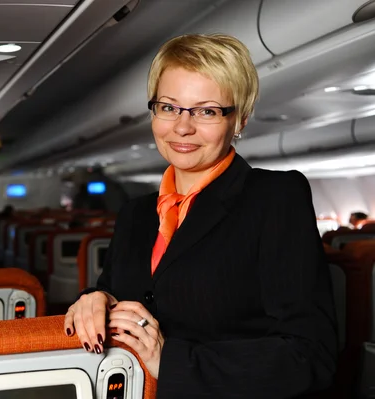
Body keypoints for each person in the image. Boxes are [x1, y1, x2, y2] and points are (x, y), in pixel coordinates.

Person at [63, 34, 337, 398]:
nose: (182, 127)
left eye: (206, 111)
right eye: (169, 107)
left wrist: (170, 360)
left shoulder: (274, 198)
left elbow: (309, 355)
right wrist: (97, 299)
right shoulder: (136, 213)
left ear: (239, 118)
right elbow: (120, 291)